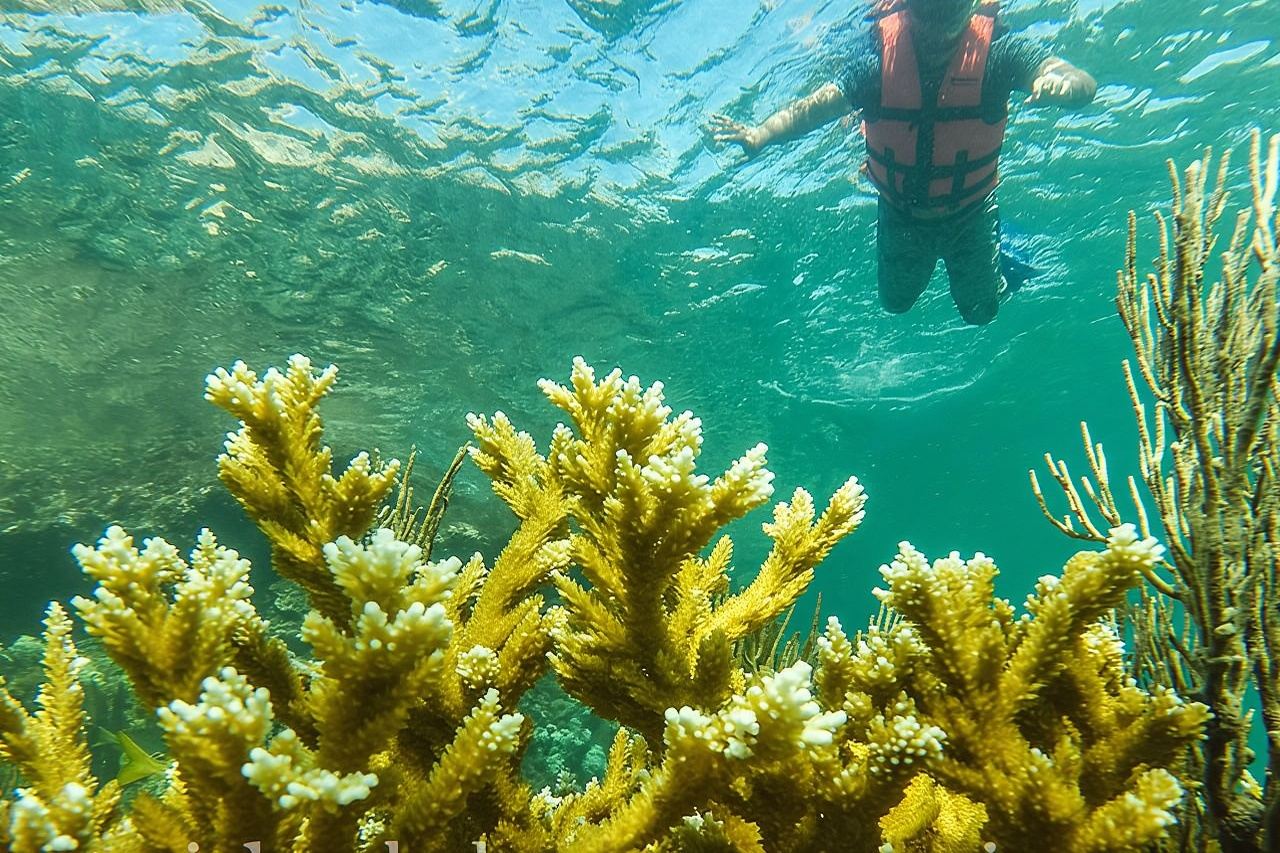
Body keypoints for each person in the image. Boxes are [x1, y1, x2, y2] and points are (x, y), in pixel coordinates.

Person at [710, 0, 1096, 325]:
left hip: (971, 213)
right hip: (901, 217)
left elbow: (1066, 74)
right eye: (929, 11)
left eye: (949, 10)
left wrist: (1064, 84)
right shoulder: (879, 62)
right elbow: (821, 106)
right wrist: (760, 134)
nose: (938, 23)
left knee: (981, 313)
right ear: (907, 8)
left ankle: (1005, 245)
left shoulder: (996, 52)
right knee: (895, 304)